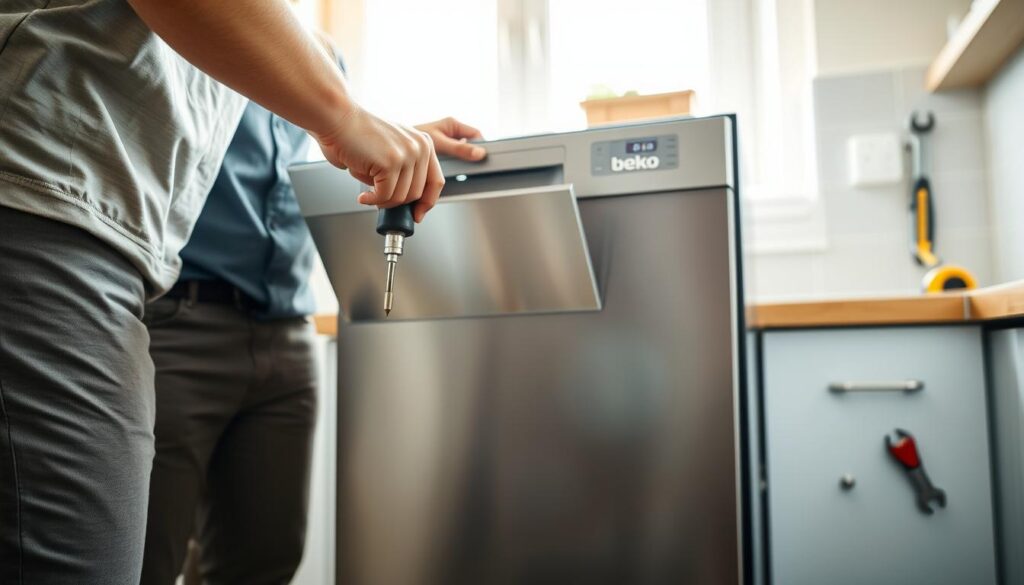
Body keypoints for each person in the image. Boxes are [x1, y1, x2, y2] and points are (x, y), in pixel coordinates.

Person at [0, 1, 444, 582]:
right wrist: (346, 119)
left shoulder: (309, 55)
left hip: (210, 293)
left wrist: (375, 131)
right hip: (75, 235)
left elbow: (315, 163)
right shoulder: (246, 45)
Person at [139, 47, 486, 582]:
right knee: (142, 558)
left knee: (265, 560)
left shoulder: (324, 59)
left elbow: (308, 166)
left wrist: (397, 145)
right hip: (178, 325)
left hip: (287, 336)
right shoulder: (204, 28)